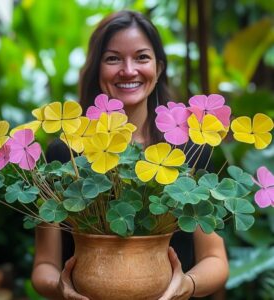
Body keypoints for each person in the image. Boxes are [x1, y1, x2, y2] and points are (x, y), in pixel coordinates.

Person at [31, 10, 229, 300]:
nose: (128, 69)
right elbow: (44, 264)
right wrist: (61, 288)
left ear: (159, 68)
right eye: (113, 58)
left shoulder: (190, 149)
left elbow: (216, 259)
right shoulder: (66, 153)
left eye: (141, 57)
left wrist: (187, 285)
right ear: (97, 70)